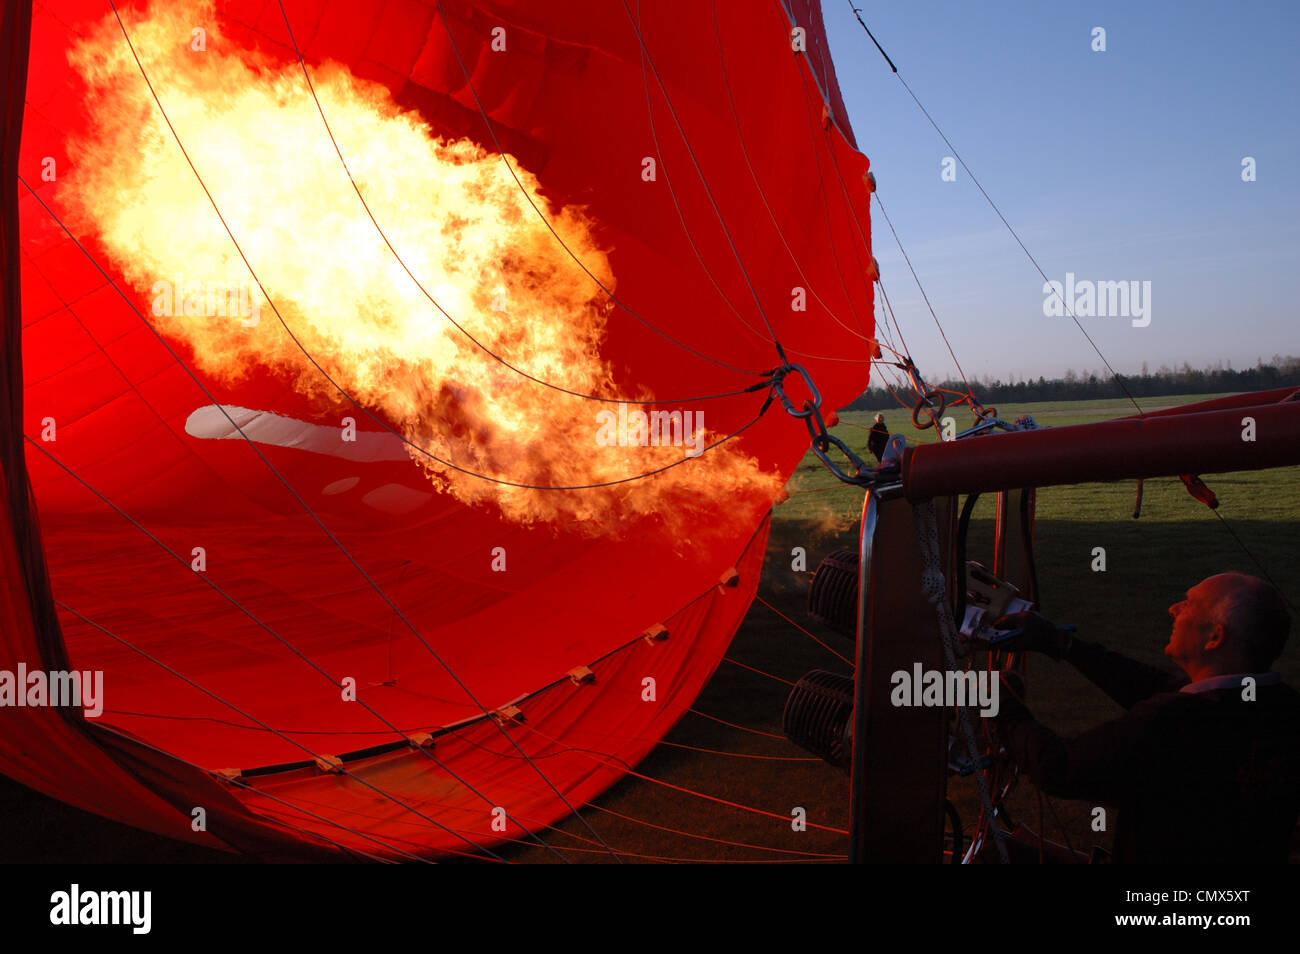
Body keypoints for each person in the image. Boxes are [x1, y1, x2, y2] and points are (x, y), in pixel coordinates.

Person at [992, 572, 1300, 864]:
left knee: (995, 852)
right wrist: (1063, 645)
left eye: (1189, 604)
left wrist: (1002, 703)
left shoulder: (1176, 722)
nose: (1173, 608)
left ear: (1215, 637)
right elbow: (1154, 686)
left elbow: (1059, 767)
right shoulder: (1280, 707)